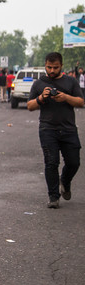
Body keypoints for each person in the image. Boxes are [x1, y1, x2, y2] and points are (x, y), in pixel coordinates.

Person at [28, 52, 84, 208]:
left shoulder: (70, 81)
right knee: (51, 162)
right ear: (45, 65)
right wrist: (41, 98)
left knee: (74, 163)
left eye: (55, 67)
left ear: (62, 66)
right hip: (47, 129)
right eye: (49, 67)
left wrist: (65, 97)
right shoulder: (39, 84)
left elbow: (80, 102)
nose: (52, 71)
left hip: (68, 129)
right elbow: (30, 106)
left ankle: (65, 181)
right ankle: (53, 196)